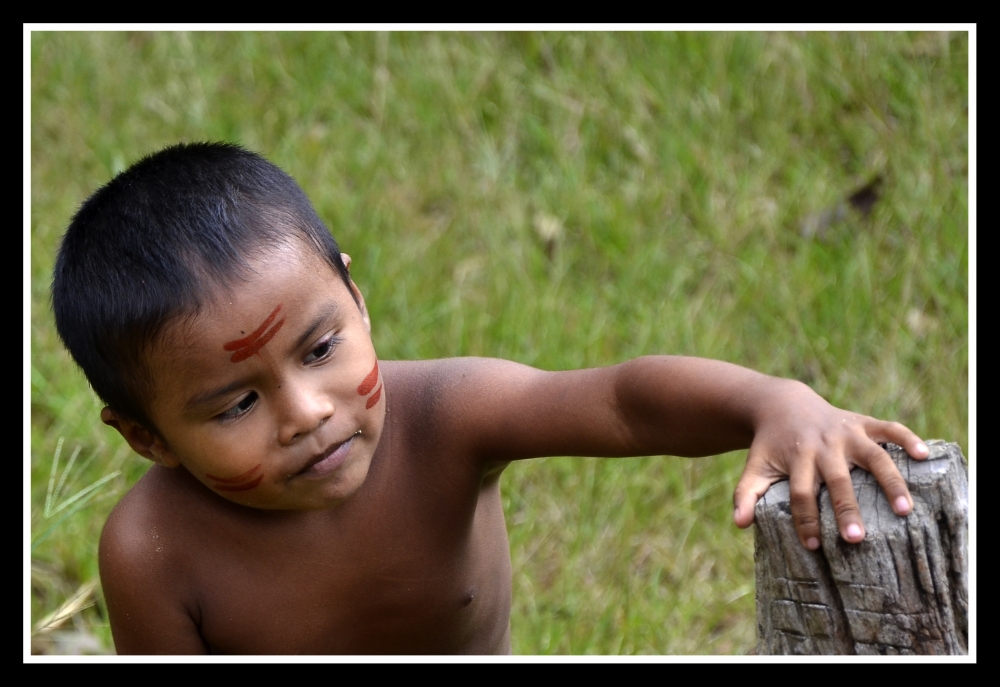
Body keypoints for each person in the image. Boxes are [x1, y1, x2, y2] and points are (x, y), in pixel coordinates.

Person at [51, 142, 929, 654]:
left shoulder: (445, 416)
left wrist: (773, 403)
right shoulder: (153, 549)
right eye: (235, 405)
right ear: (146, 438)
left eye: (320, 348)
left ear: (356, 298)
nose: (308, 410)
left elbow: (623, 402)